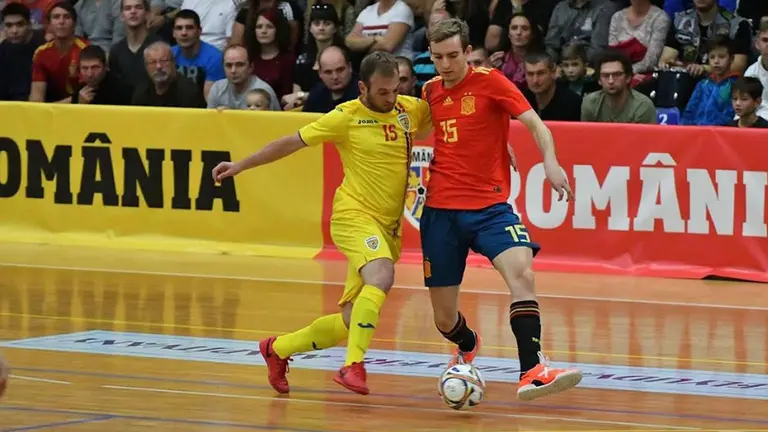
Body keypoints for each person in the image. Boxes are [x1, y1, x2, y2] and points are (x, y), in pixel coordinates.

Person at [211, 51, 432, 396]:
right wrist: (241, 165)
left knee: (350, 320)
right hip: (354, 216)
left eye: (396, 89)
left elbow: (456, 125)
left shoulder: (409, 109)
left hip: (388, 228)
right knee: (382, 276)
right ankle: (353, 366)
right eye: (383, 92)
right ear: (362, 88)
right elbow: (289, 143)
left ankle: (277, 349)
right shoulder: (344, 117)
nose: (391, 98)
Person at [421, 17, 583, 402]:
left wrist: (551, 162)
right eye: (438, 57)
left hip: (490, 208)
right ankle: (468, 341)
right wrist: (497, 142)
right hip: (440, 212)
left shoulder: (490, 80)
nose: (446, 64)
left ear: (467, 52)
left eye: (453, 56)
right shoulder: (428, 91)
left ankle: (532, 369)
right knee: (444, 318)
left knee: (522, 271)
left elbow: (535, 123)